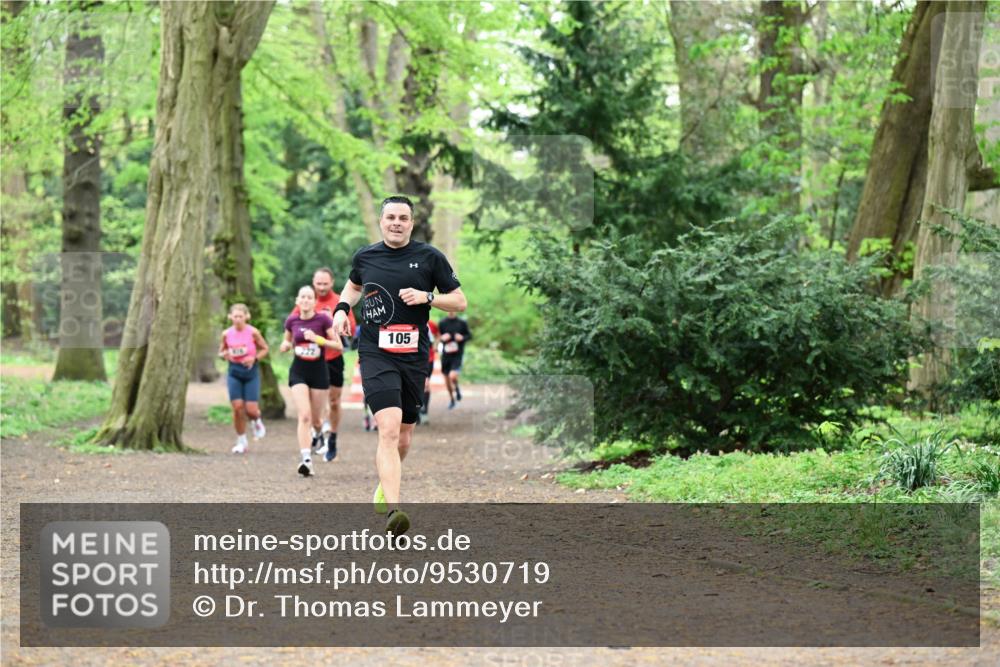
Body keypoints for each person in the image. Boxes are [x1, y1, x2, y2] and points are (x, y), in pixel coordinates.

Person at [332, 195, 466, 535]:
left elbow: (460, 302)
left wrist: (428, 298)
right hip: (376, 352)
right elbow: (352, 288)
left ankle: (384, 484)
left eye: (403, 218)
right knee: (388, 429)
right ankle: (395, 510)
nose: (396, 222)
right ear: (381, 221)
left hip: (414, 356)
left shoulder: (429, 258)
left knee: (405, 435)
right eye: (390, 217)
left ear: (411, 223)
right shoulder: (366, 256)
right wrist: (341, 310)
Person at [290, 267, 356, 462]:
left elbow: (350, 327)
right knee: (312, 408)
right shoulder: (307, 299)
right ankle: (317, 433)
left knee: (335, 401)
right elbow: (293, 323)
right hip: (310, 362)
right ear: (313, 282)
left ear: (332, 282)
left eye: (325, 284)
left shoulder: (338, 302)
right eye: (318, 284)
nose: (321, 288)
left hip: (333, 357)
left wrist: (335, 326)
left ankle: (333, 437)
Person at [280, 286, 341, 477]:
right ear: (297, 301)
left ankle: (317, 433)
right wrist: (286, 345)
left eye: (309, 297)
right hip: (298, 371)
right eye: (302, 297)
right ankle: (306, 460)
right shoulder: (292, 320)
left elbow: (338, 345)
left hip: (319, 373)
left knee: (316, 420)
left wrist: (318, 339)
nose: (306, 300)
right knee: (304, 416)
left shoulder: (323, 319)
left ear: (315, 302)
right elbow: (288, 341)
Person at [218, 303, 269, 454]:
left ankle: (256, 420)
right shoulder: (226, 334)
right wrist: (224, 355)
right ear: (230, 317)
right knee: (238, 407)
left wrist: (254, 358)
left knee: (251, 410)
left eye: (241, 316)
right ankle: (241, 441)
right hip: (234, 372)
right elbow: (221, 352)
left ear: (247, 317)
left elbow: (265, 348)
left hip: (250, 372)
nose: (238, 319)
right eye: (235, 316)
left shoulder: (253, 332)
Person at [439, 311, 472, 409]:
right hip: (446, 355)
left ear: (456, 310)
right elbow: (438, 337)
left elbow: (469, 336)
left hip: (457, 354)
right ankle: (452, 400)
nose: (451, 310)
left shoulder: (462, 322)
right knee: (446, 379)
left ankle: (457, 389)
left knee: (452, 375)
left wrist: (462, 338)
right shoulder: (442, 322)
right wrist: (442, 338)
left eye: (453, 308)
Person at [419, 319, 440, 425]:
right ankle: (415, 412)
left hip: (428, 359)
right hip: (413, 359)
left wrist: (435, 346)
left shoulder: (431, 324)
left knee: (425, 384)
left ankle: (424, 412)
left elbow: (438, 335)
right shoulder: (408, 320)